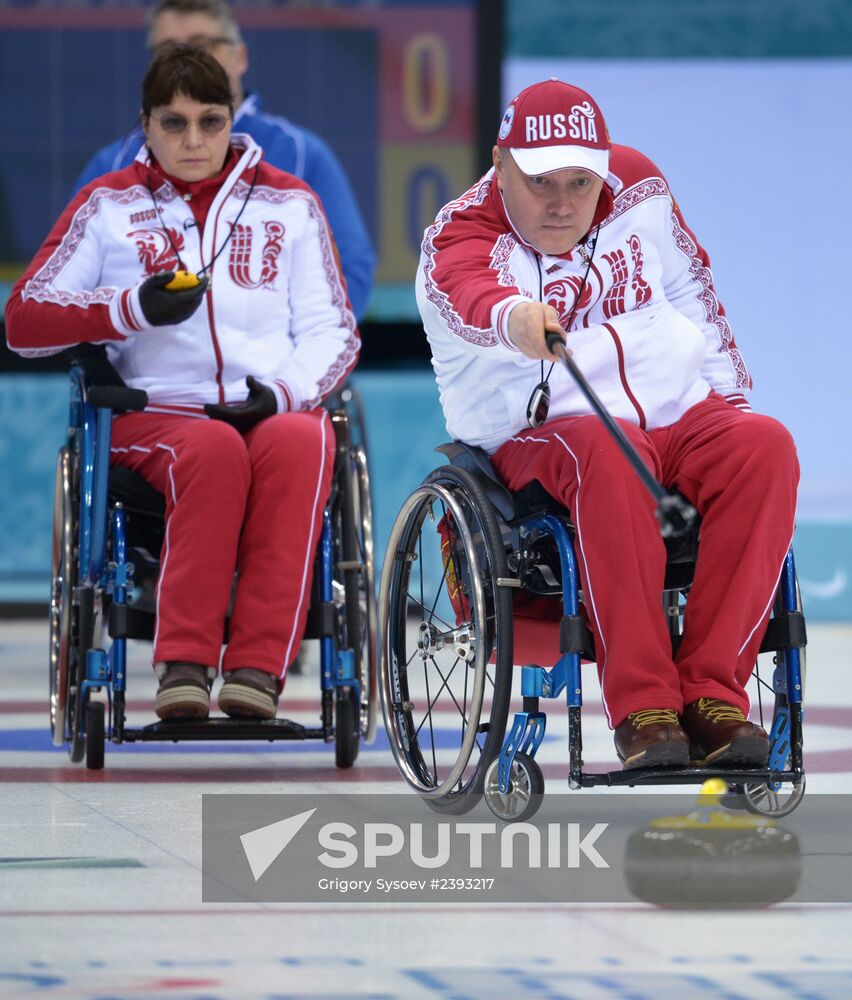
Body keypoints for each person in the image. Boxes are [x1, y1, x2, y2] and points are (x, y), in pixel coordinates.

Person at [416, 78, 799, 770]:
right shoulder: (459, 232)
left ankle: (714, 695)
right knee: (610, 451)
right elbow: (468, 296)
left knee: (764, 446)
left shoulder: (641, 187)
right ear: (501, 164)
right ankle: (645, 708)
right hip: (539, 429)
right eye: (541, 183)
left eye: (581, 181)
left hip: (671, 410)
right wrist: (516, 319)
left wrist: (729, 403)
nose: (563, 203)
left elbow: (692, 290)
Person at [6, 44, 359, 722]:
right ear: (145, 125)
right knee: (212, 451)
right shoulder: (107, 206)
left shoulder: (290, 204)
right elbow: (22, 321)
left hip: (266, 404)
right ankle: (185, 663)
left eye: (210, 120)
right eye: (173, 123)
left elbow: (332, 331)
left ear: (234, 121)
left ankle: (258, 668)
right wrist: (130, 307)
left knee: (301, 441)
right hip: (154, 414)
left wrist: (281, 393)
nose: (193, 140)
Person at [73, 0, 374, 321]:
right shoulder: (113, 164)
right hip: (141, 364)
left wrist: (288, 360)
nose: (184, 62)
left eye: (201, 47)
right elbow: (71, 286)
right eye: (167, 50)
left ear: (239, 57)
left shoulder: (301, 155)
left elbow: (349, 274)